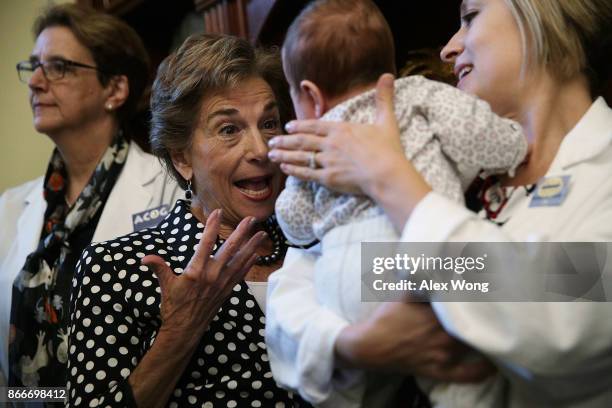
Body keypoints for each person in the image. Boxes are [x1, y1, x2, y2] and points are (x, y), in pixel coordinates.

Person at [267, 0, 612, 406]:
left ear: (541, 11)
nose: (448, 48)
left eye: (471, 17)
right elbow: (299, 286)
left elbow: (569, 305)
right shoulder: (452, 152)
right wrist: (351, 342)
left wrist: (391, 179)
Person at [67, 34, 308, 408]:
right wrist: (180, 330)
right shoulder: (114, 268)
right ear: (181, 157)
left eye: (270, 123)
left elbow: (426, 282)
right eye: (229, 129)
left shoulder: (320, 238)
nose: (261, 150)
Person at [0, 3, 182, 388]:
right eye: (34, 66)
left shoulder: (169, 190)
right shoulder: (10, 207)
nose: (35, 81)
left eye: (59, 67)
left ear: (114, 89)